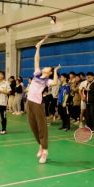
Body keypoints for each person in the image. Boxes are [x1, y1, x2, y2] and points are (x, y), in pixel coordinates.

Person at [26, 35, 59, 164]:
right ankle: (40, 144)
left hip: (38, 104)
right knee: (33, 126)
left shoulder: (47, 80)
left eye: (48, 68)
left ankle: (45, 151)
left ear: (49, 72)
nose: (44, 67)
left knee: (41, 127)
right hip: (29, 102)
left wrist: (55, 71)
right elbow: (36, 59)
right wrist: (38, 47)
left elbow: (55, 83)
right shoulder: (37, 74)